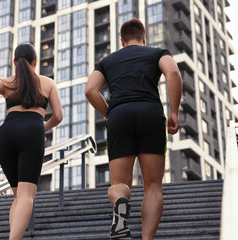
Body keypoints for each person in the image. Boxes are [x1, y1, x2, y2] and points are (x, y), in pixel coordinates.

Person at [85, 18, 182, 240]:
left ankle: (120, 202)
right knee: (153, 187)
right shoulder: (157, 53)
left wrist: (109, 113)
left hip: (119, 116)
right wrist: (174, 112)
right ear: (143, 37)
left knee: (119, 184)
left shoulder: (107, 61)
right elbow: (173, 73)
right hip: (150, 114)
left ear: (122, 40)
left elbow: (90, 90)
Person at [0, 43, 62, 240]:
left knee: (19, 196)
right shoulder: (47, 83)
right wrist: (42, 126)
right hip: (32, 132)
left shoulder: (9, 82)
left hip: (6, 133)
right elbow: (58, 116)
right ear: (36, 62)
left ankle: (13, 236)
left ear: (15, 62)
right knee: (27, 196)